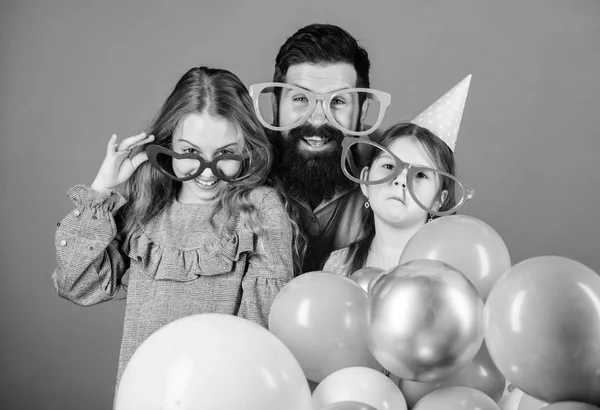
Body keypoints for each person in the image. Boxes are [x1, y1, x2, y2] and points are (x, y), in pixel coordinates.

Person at [52, 66, 300, 404]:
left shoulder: (260, 211)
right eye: (190, 152)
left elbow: (260, 334)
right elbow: (78, 285)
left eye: (225, 153)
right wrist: (102, 188)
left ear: (246, 150)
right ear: (168, 146)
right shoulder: (147, 209)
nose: (207, 171)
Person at [249, 23, 392, 272]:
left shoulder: (392, 165)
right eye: (301, 98)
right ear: (276, 105)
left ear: (362, 111)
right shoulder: (240, 164)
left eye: (337, 101)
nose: (317, 119)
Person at [322, 75, 475, 277]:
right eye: (388, 165)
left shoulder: (448, 274)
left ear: (439, 200)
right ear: (366, 181)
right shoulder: (339, 265)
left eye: (420, 174)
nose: (400, 179)